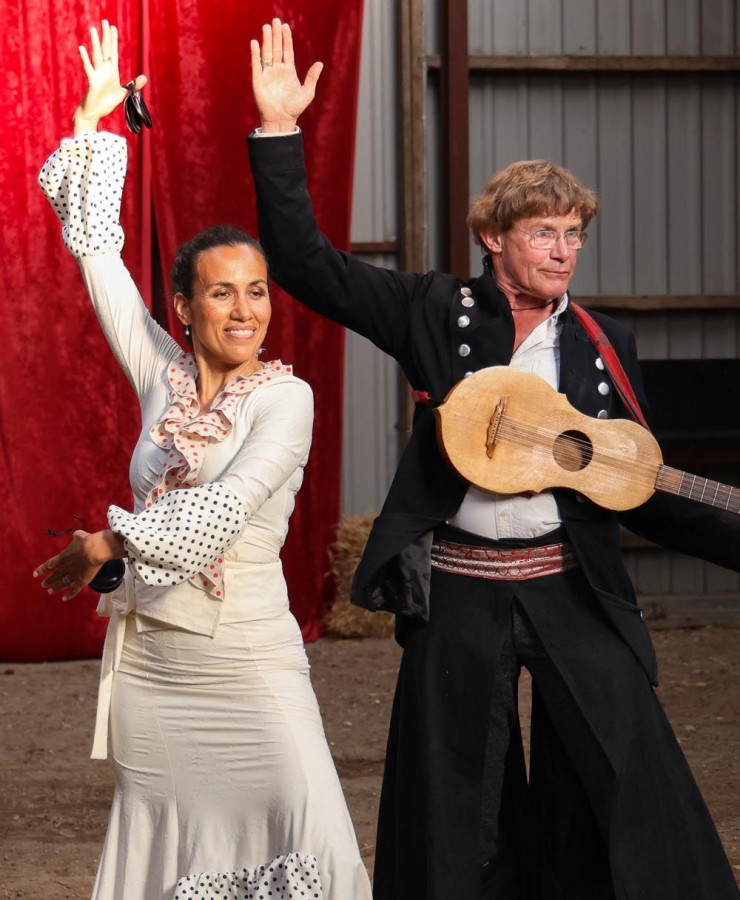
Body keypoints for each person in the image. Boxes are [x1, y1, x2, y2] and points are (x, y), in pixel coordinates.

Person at [247, 18, 740, 900]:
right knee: (457, 809)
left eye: (575, 234)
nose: (565, 250)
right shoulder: (433, 311)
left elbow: (633, 484)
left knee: (629, 778)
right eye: (547, 232)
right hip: (462, 587)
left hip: (568, 585)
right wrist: (279, 133)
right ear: (494, 238)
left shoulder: (603, 343)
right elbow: (307, 265)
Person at [34, 20, 372, 900]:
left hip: (250, 662)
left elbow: (223, 511)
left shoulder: (284, 400)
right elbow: (98, 254)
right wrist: (88, 125)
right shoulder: (160, 374)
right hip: (154, 667)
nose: (246, 309)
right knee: (168, 858)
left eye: (256, 291)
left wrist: (108, 542)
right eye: (222, 292)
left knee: (309, 835)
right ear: (184, 308)